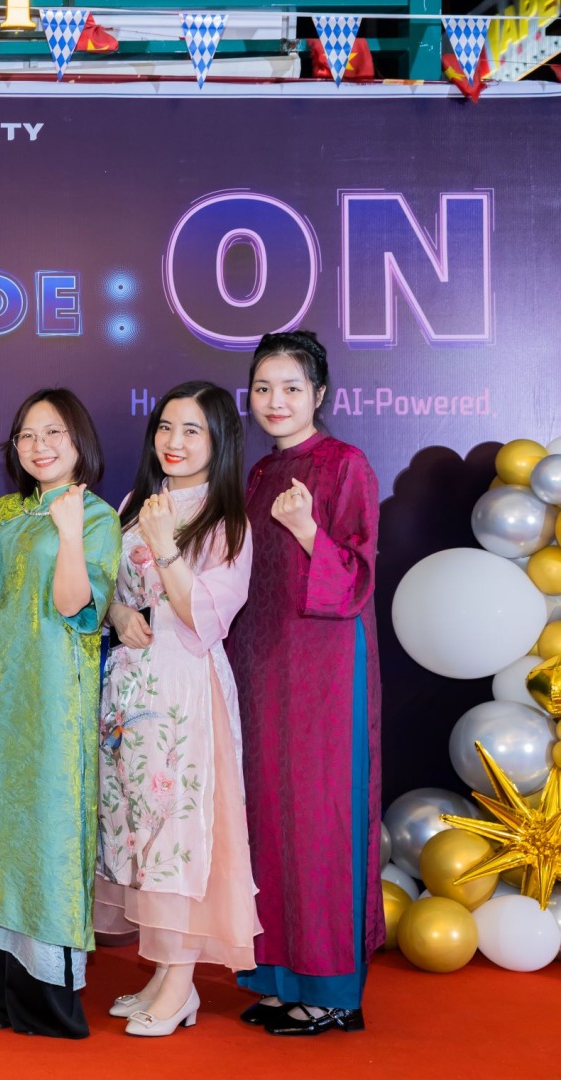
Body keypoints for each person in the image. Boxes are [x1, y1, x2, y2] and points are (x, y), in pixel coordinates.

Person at [227, 331, 382, 1037]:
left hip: (324, 671)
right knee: (268, 815)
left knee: (320, 818)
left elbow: (354, 579)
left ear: (319, 394)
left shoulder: (345, 464)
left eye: (291, 388)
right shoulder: (260, 473)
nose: (276, 401)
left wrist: (309, 531)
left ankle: (330, 991)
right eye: (263, 388)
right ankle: (278, 978)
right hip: (261, 665)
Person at [94, 381, 259, 1037]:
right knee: (138, 828)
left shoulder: (229, 522)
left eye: (192, 430)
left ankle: (182, 982)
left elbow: (205, 619)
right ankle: (164, 975)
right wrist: (118, 612)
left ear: (219, 442)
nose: (174, 441)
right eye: (166, 426)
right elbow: (109, 586)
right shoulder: (136, 503)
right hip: (130, 690)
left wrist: (165, 547)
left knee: (178, 832)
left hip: (186, 690)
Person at [0, 388, 119, 1039]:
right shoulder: (1, 511)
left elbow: (78, 606)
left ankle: (45, 999)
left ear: (79, 440)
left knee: (49, 834)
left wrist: (70, 532)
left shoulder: (96, 515)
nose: (39, 445)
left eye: (53, 432)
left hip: (54, 707)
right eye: (27, 434)